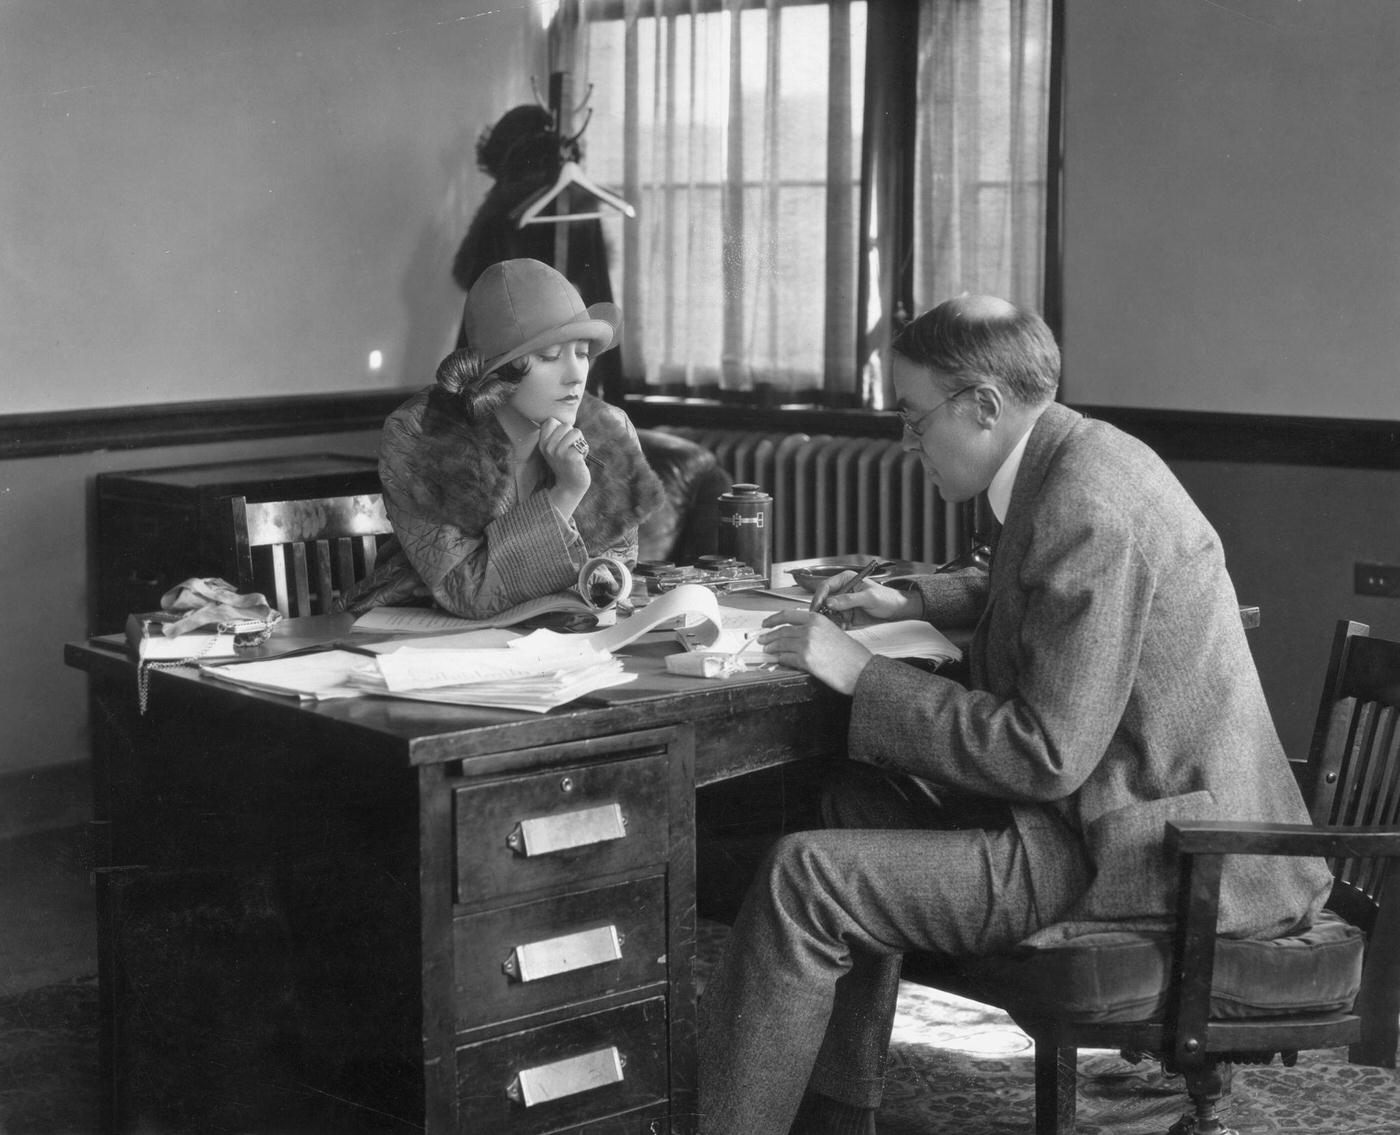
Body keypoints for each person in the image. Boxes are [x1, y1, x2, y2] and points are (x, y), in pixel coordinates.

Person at [696, 294, 1333, 1135]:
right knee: (854, 799)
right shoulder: (1076, 457)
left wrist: (864, 674)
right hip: (1119, 812)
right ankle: (834, 1115)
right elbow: (1030, 586)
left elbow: (1045, 751)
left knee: (802, 876)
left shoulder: (1087, 507)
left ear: (986, 406)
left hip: (1139, 848)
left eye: (915, 419)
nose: (908, 442)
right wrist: (907, 596)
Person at [342, 258, 664, 620]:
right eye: (549, 357)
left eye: (583, 354)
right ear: (498, 374)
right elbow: (469, 591)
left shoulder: (609, 429)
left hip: (560, 639)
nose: (575, 375)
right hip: (428, 634)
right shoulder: (421, 432)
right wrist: (565, 494)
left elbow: (616, 569)